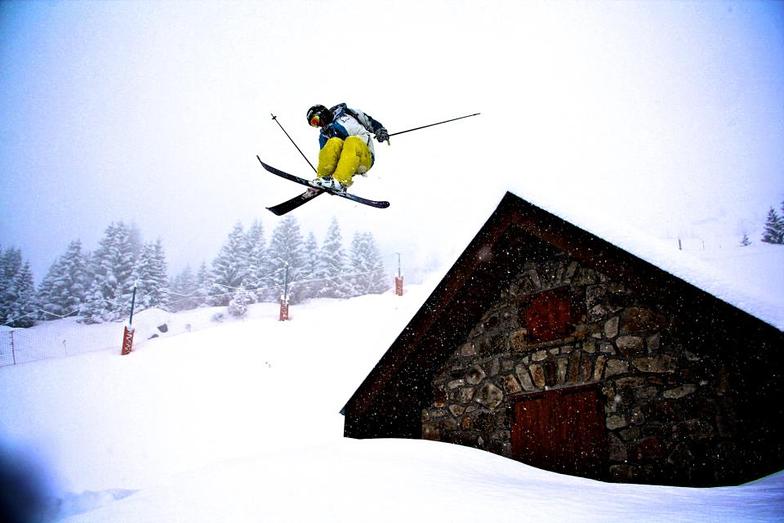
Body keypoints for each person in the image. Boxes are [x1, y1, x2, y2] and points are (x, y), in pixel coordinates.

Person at [306, 103, 389, 192]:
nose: (318, 125)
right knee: (333, 142)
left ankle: (340, 181)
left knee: (352, 140)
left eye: (315, 121)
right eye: (314, 124)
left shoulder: (347, 113)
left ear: (322, 113)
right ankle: (322, 180)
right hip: (348, 164)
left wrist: (379, 130)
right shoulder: (324, 135)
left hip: (365, 156)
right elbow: (326, 157)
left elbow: (368, 120)